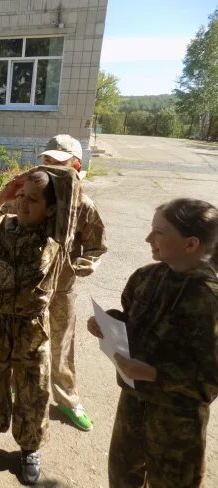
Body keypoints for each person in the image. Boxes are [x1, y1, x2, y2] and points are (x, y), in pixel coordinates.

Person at [87, 198, 218, 488]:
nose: (148, 238)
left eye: (159, 232)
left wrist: (152, 373)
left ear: (191, 244)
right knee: (122, 478)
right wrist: (109, 323)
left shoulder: (208, 299)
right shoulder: (146, 277)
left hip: (177, 421)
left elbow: (210, 378)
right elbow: (132, 319)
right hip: (133, 403)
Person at [0, 166, 80, 485]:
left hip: (32, 326)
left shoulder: (55, 235)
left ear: (50, 208)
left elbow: (70, 192)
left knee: (33, 388)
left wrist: (49, 168)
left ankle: (29, 446)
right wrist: (3, 197)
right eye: (22, 197)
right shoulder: (6, 227)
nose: (24, 203)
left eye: (33, 199)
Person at [2, 134, 106, 431]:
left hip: (61, 290)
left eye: (58, 164)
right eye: (46, 163)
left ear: (76, 165)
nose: (50, 170)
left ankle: (67, 399)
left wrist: (82, 265)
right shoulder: (27, 196)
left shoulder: (83, 205)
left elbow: (96, 245)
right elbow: (5, 226)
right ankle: (14, 385)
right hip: (25, 288)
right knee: (20, 340)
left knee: (60, 347)